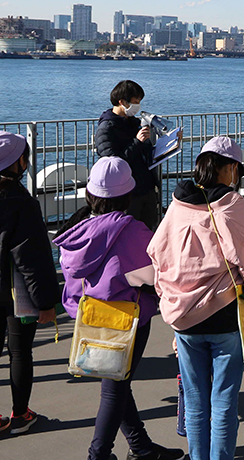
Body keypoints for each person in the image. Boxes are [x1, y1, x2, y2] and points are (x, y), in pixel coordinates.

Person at [148, 137, 244, 460]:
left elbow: (157, 256)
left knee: (194, 401)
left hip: (184, 320)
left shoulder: (177, 207)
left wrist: (171, 301)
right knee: (223, 403)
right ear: (231, 169)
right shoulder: (237, 209)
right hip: (226, 317)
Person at [54, 157, 184, 460]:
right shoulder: (131, 231)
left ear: (90, 194)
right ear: (128, 195)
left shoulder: (78, 228)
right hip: (127, 319)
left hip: (90, 316)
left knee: (116, 381)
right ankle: (98, 454)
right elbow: (151, 275)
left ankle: (140, 446)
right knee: (115, 388)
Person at [0, 132, 58, 436]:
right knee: (20, 351)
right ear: (17, 163)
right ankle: (20, 414)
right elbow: (32, 258)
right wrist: (46, 301)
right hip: (14, 292)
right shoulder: (21, 202)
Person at [95, 79, 159, 230]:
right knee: (129, 234)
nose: (138, 106)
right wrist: (137, 142)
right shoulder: (106, 128)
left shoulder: (134, 123)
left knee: (149, 232)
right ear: (122, 101)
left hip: (146, 187)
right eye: (135, 101)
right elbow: (112, 163)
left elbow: (145, 151)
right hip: (126, 193)